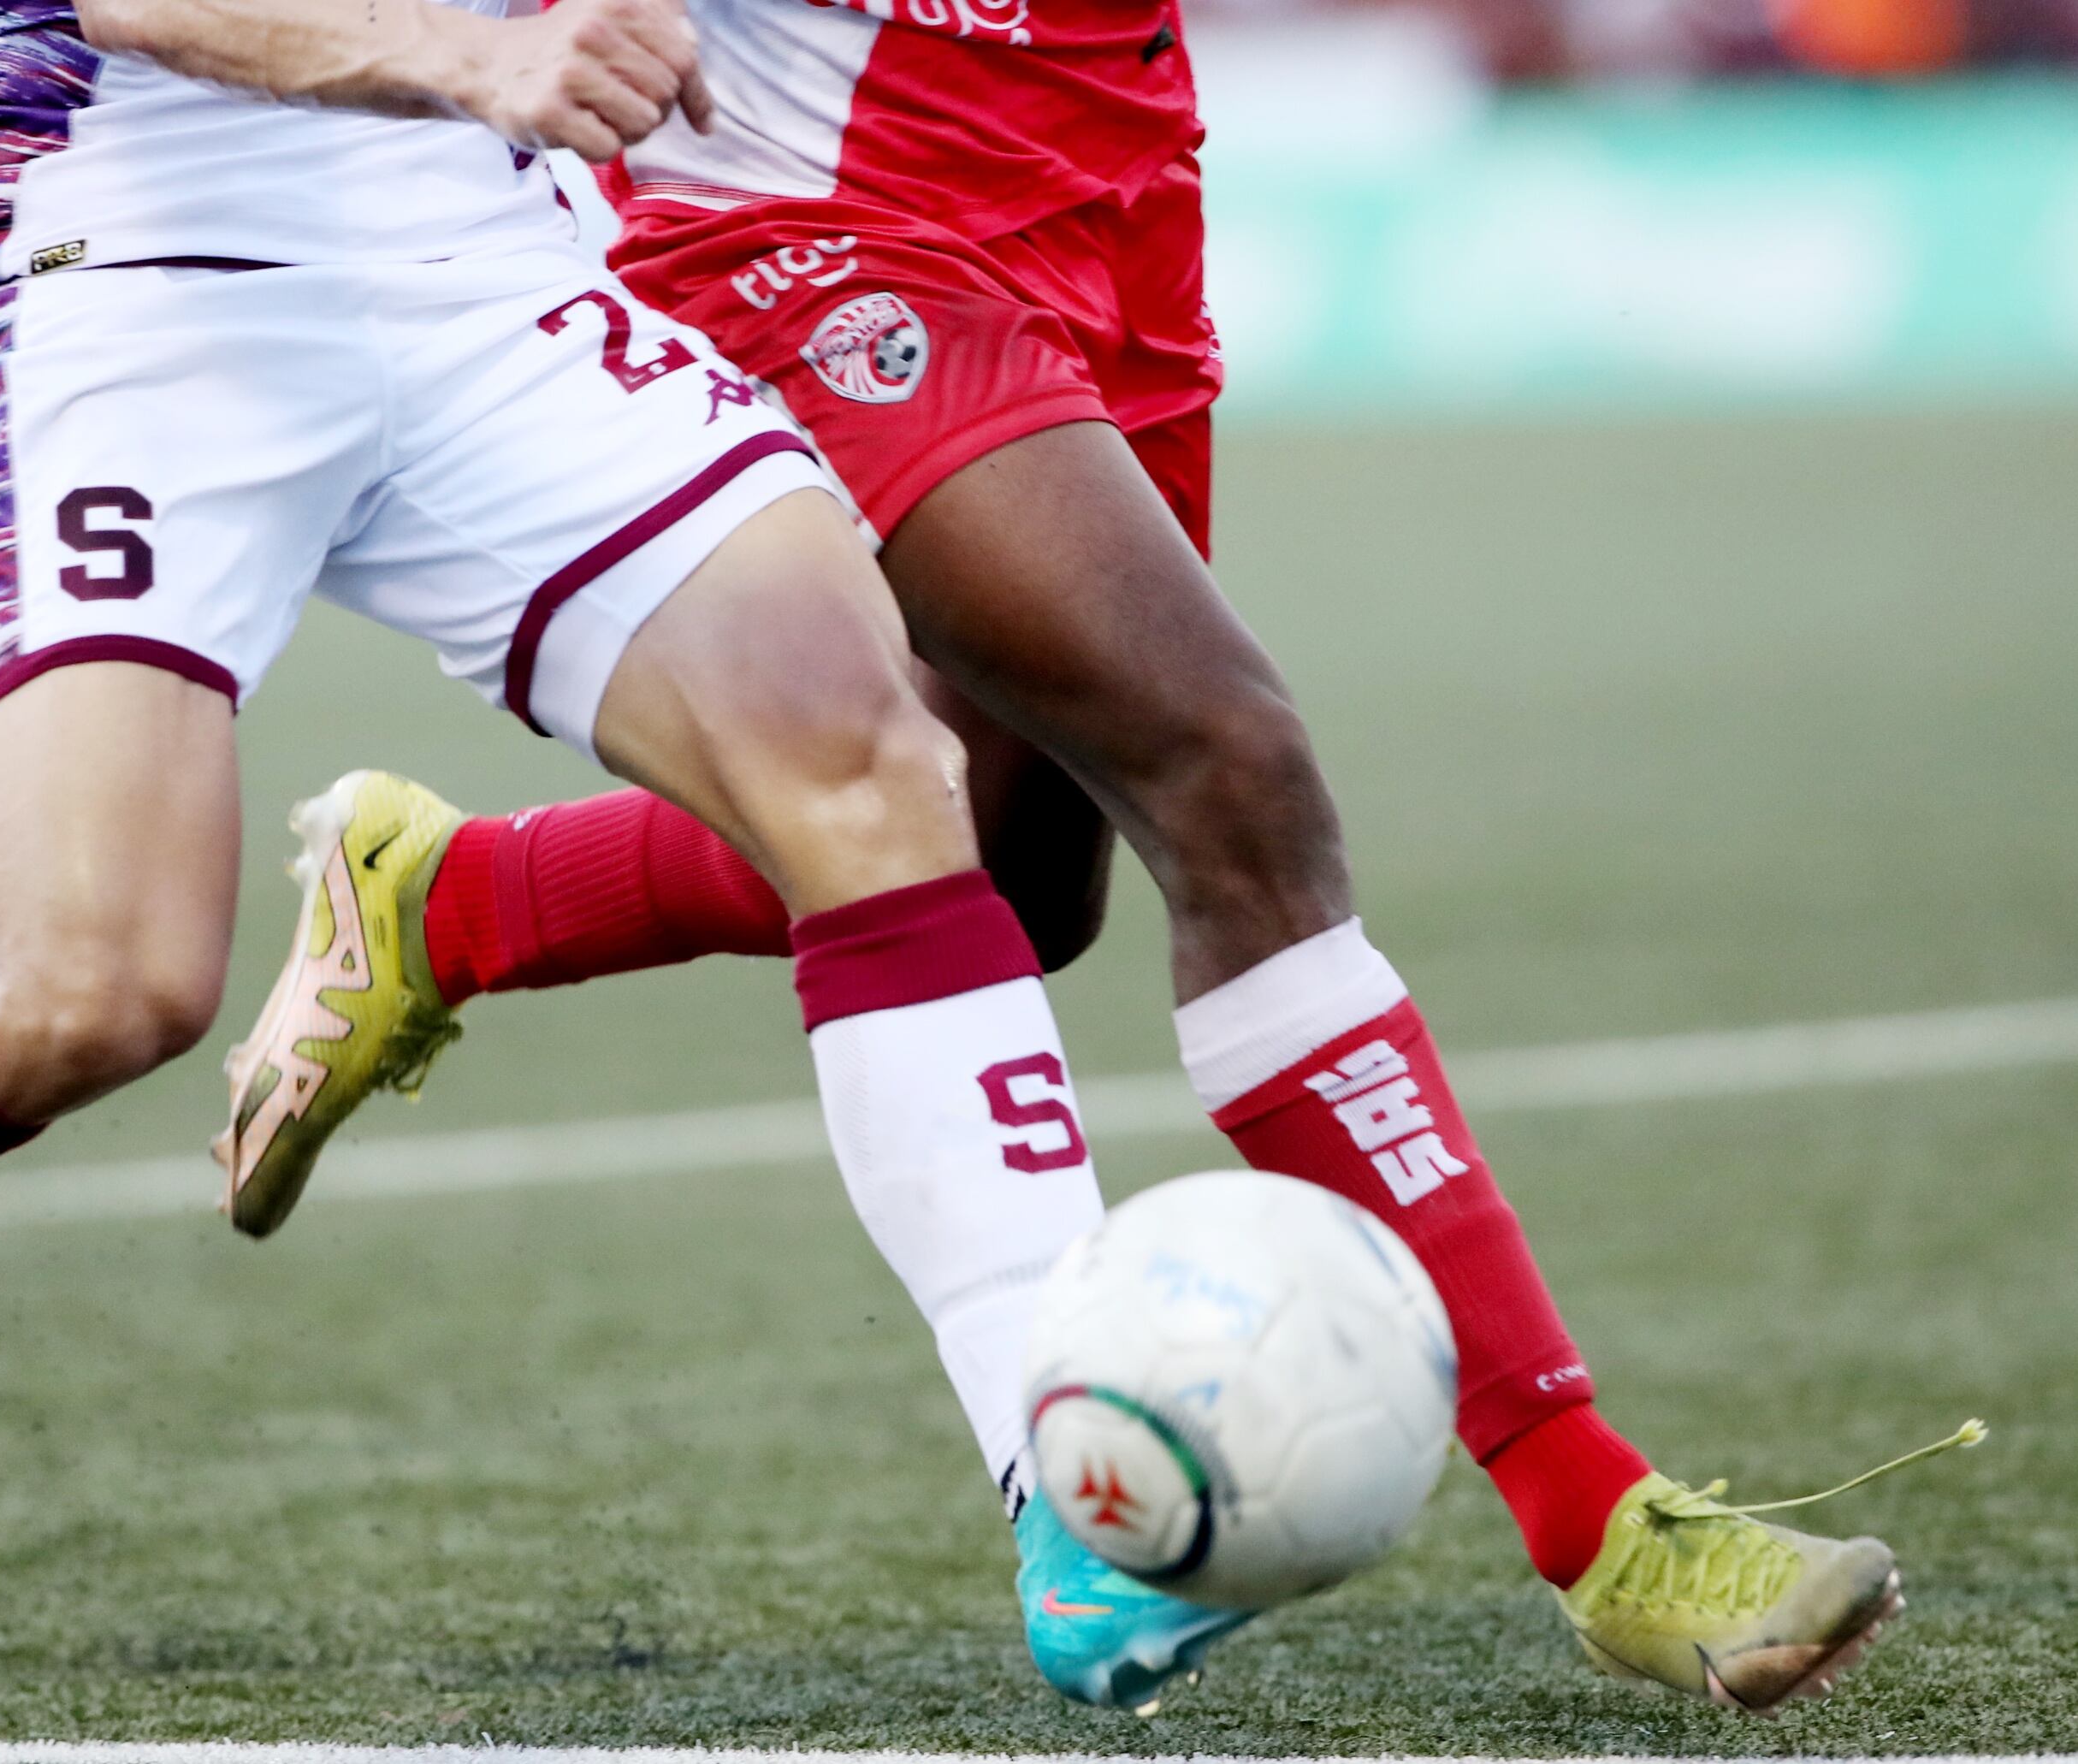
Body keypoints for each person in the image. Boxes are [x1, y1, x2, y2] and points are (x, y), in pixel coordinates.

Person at [0, 0, 1219, 1708]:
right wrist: (474, 54)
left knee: (866, 761)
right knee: (96, 988)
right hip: (140, 280)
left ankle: (1063, 1468)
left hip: (490, 263)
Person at [211, 0, 1913, 1714]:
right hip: (806, 209)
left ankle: (452, 900)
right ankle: (1600, 1518)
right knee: (1224, 766)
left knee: (1017, 869)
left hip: (1103, 178)